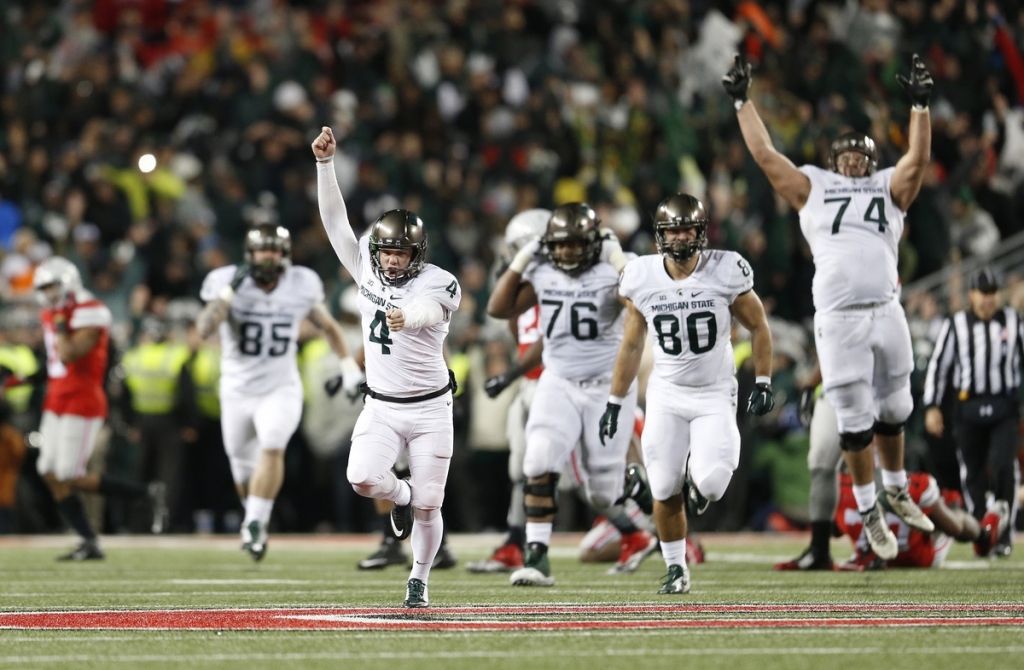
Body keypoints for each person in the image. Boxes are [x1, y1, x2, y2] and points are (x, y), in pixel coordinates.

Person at [724, 52, 935, 562]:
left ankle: (898, 488)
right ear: (832, 158)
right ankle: (869, 510)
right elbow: (767, 156)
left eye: (861, 154)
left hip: (886, 308)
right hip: (839, 318)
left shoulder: (888, 186)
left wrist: (920, 109)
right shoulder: (814, 185)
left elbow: (917, 162)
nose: (853, 161)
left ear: (871, 159)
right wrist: (741, 102)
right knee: (855, 421)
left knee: (897, 409)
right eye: (845, 154)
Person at [314, 126, 462, 608]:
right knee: (362, 479)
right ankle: (399, 496)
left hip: (430, 408)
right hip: (381, 405)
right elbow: (335, 223)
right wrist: (325, 166)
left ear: (418, 254)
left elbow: (434, 311)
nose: (394, 260)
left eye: (402, 252)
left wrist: (408, 316)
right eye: (388, 251)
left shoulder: (438, 283)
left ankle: (419, 579)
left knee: (430, 505)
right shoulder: (365, 269)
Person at [599, 193, 775, 594]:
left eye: (688, 229)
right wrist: (614, 400)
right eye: (673, 230)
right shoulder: (641, 275)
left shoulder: (726, 269)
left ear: (701, 232)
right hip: (667, 392)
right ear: (660, 235)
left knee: (711, 485)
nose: (680, 237)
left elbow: (760, 327)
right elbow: (630, 344)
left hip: (714, 392)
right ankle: (677, 568)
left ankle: (695, 487)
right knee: (662, 486)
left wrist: (763, 380)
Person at [488, 202, 656, 588]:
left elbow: (642, 297)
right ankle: (537, 557)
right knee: (538, 458)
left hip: (604, 386)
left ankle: (631, 484)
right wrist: (524, 259)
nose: (566, 252)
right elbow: (499, 308)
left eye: (575, 244)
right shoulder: (543, 269)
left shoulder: (612, 270)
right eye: (559, 245)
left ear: (594, 243)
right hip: (558, 380)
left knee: (600, 494)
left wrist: (616, 258)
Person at [197, 224, 363, 561]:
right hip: (237, 390)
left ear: (284, 255)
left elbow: (328, 326)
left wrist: (348, 364)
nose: (268, 256)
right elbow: (203, 328)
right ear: (250, 254)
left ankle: (256, 524)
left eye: (274, 250)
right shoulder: (227, 281)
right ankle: (253, 513)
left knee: (272, 446)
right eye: (263, 250)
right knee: (243, 471)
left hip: (280, 386)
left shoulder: (300, 283)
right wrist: (228, 293)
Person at [32, 256, 156, 560]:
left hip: (83, 401)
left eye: (53, 286)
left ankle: (144, 495)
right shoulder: (54, 312)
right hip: (56, 399)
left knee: (69, 474)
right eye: (44, 288)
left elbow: (68, 354)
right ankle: (89, 540)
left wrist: (61, 319)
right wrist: (22, 378)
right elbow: (53, 362)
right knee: (47, 470)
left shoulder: (92, 311)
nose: (49, 294)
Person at [467, 208, 550, 574]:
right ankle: (517, 542)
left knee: (592, 480)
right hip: (533, 383)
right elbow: (521, 338)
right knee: (522, 468)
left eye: (517, 247)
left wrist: (510, 374)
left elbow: (546, 343)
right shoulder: (528, 289)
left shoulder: (559, 284)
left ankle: (650, 531)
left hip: (560, 386)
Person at [923, 268, 1021, 557]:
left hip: (1004, 406)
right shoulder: (957, 325)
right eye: (983, 293)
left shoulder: (1014, 321)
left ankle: (1003, 532)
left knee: (1005, 465)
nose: (988, 300)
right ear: (971, 295)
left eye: (992, 293)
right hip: (968, 406)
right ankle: (982, 531)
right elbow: (939, 367)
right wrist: (932, 406)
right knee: (973, 472)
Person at [834, 471, 1010, 570]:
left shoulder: (839, 487)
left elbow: (834, 530)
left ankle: (983, 532)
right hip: (918, 556)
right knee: (949, 515)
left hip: (908, 553)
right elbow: (954, 528)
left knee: (944, 514)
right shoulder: (915, 484)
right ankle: (982, 533)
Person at [775, 366, 844, 570]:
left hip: (870, 382)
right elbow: (830, 345)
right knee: (820, 459)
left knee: (869, 454)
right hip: (834, 385)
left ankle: (873, 544)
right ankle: (819, 549)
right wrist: (810, 385)